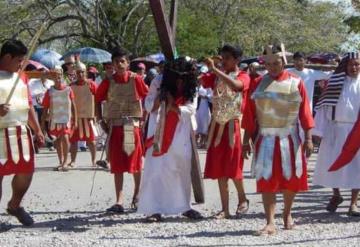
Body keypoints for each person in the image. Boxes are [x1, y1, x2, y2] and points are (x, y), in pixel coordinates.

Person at [242, 44, 314, 235]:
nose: (273, 67)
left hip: (290, 137)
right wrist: (245, 140)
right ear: (264, 64)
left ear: (283, 62)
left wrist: (308, 138)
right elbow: (249, 114)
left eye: (276, 63)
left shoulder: (296, 82)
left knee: (292, 179)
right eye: (269, 63)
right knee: (267, 179)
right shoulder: (257, 83)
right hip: (265, 137)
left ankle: (287, 214)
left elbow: (305, 112)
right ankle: (270, 221)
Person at [138, 57, 203, 222]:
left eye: (184, 78)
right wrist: (161, 98)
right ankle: (154, 209)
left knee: (181, 167)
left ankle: (184, 206)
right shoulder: (159, 81)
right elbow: (148, 105)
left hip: (180, 131)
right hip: (159, 129)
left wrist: (173, 105)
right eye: (178, 78)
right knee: (156, 170)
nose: (180, 81)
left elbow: (191, 109)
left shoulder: (191, 83)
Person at [96, 48, 148, 213]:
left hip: (131, 126)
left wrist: (144, 118)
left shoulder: (136, 79)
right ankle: (119, 201)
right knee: (117, 165)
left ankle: (137, 195)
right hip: (115, 126)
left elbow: (147, 96)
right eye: (116, 61)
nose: (119, 64)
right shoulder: (108, 81)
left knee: (135, 162)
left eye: (122, 61)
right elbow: (97, 99)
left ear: (127, 63)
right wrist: (100, 120)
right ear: (112, 63)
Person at [201, 44, 250, 219]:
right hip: (216, 125)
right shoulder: (215, 75)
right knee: (220, 168)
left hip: (232, 126)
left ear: (237, 60)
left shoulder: (243, 75)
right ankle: (225, 209)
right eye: (222, 58)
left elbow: (237, 86)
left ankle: (243, 197)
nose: (224, 61)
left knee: (233, 165)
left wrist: (215, 70)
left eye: (227, 58)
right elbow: (200, 81)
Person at [0, 39, 45, 226]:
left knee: (26, 171)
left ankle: (15, 205)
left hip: (21, 131)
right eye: (19, 60)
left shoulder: (22, 77)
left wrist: (38, 130)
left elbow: (28, 106)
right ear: (7, 57)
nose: (21, 64)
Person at [313, 52, 360, 216]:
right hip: (335, 129)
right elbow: (323, 107)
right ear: (345, 66)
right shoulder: (334, 83)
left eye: (357, 64)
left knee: (358, 168)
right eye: (350, 64)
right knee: (332, 164)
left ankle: (353, 203)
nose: (354, 67)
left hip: (357, 131)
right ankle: (336, 195)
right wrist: (318, 131)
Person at [42, 67, 77, 172]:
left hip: (66, 119)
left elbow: (73, 106)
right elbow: (45, 108)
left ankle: (66, 162)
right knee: (57, 140)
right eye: (55, 76)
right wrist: (43, 123)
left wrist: (75, 120)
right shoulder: (50, 91)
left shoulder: (68, 89)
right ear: (52, 77)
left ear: (62, 75)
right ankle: (61, 161)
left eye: (59, 75)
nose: (58, 77)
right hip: (54, 119)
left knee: (65, 138)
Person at [68, 61, 97, 168]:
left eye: (82, 72)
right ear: (76, 73)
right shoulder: (71, 86)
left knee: (91, 141)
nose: (80, 74)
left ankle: (94, 160)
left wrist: (96, 116)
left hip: (88, 116)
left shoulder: (92, 85)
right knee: (74, 141)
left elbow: (97, 100)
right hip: (75, 117)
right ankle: (73, 161)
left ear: (85, 73)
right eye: (78, 72)